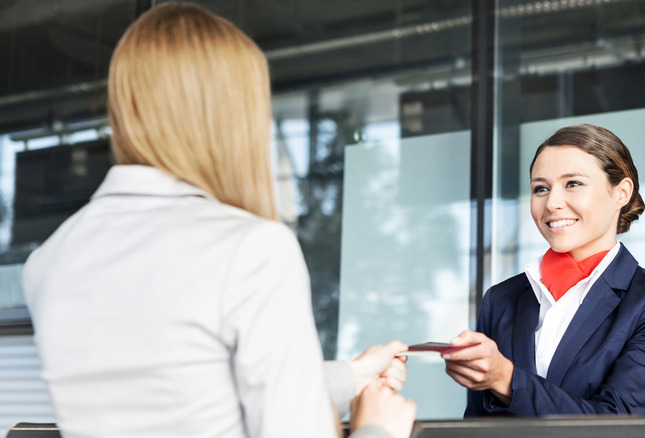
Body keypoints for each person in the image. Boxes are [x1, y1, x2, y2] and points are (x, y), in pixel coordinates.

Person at [22, 3, 415, 438]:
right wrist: (379, 430)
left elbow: (191, 392)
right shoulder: (251, 248)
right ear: (230, 116)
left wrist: (354, 374)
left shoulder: (48, 262)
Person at [443, 124, 645, 416]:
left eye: (572, 183)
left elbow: (620, 421)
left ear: (621, 193)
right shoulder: (501, 299)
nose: (551, 203)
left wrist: (506, 379)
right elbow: (477, 423)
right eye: (541, 188)